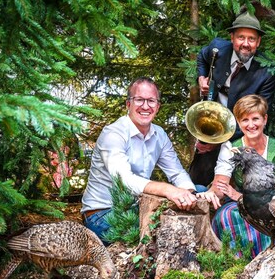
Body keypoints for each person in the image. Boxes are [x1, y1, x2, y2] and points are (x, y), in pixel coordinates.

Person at [81, 77, 198, 242]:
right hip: (102, 214)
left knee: (197, 192)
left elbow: (177, 172)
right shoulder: (113, 134)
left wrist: (190, 193)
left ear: (158, 106)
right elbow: (125, 180)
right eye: (139, 100)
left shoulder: (159, 135)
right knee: (163, 228)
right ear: (128, 104)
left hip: (137, 207)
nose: (145, 106)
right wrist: (169, 190)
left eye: (151, 101)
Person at [196, 94, 275, 258]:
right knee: (227, 215)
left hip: (274, 205)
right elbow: (220, 185)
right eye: (245, 120)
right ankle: (238, 261)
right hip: (242, 206)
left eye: (255, 119)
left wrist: (239, 196)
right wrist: (210, 193)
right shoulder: (231, 147)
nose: (251, 125)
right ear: (238, 122)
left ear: (265, 119)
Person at [191, 10, 275, 186]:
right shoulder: (217, 48)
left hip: (241, 134)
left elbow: (259, 115)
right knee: (198, 181)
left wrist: (219, 144)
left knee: (238, 188)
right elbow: (202, 56)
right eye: (241, 37)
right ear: (232, 38)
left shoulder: (267, 72)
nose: (245, 44)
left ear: (258, 42)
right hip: (212, 125)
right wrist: (201, 77)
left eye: (251, 39)